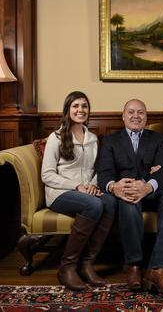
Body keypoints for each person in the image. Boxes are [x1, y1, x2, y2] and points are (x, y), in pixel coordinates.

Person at [96, 99, 163, 298]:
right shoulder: (111, 140)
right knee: (127, 202)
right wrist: (114, 187)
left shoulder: (157, 139)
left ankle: (159, 269)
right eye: (131, 112)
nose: (136, 116)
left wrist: (148, 186)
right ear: (123, 116)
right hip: (124, 190)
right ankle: (134, 265)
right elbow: (104, 174)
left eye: (141, 112)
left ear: (146, 117)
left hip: (150, 189)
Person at [41, 91, 117, 291]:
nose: (80, 110)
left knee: (110, 202)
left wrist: (92, 184)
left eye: (84, 106)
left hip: (86, 192)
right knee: (93, 204)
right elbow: (47, 175)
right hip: (59, 193)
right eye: (75, 106)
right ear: (67, 110)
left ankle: (86, 264)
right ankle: (67, 267)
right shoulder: (55, 137)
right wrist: (77, 186)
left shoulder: (92, 138)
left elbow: (96, 170)